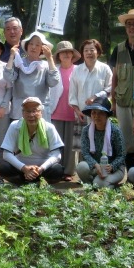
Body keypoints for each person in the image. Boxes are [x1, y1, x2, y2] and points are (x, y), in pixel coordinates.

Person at [110, 8, 134, 164]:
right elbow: (115, 77)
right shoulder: (118, 49)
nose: (132, 28)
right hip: (122, 102)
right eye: (129, 24)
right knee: (127, 141)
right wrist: (113, 102)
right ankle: (130, 175)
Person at [0, 97, 64, 185]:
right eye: (28, 111)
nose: (31, 115)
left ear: (41, 113)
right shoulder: (15, 126)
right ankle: (25, 182)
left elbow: (57, 155)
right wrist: (25, 168)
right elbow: (6, 154)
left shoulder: (49, 128)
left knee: (57, 170)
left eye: (35, 111)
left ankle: (36, 181)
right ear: (22, 113)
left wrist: (41, 169)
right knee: (4, 167)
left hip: (42, 169)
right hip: (21, 168)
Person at [5, 31, 60, 122]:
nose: (33, 47)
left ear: (42, 48)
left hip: (40, 112)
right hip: (20, 111)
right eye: (31, 44)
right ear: (27, 46)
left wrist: (50, 59)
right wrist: (11, 56)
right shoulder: (19, 63)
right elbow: (8, 77)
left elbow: (53, 81)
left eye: (38, 45)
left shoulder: (45, 65)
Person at [76, 99, 127, 188]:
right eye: (94, 113)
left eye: (100, 113)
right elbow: (85, 153)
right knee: (81, 167)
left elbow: (121, 155)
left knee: (99, 184)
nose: (96, 116)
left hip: (113, 169)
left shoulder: (115, 131)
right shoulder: (86, 130)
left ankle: (103, 184)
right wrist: (96, 165)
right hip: (96, 167)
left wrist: (111, 166)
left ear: (106, 115)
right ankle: (96, 185)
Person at [50, 40, 81, 179]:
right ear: (58, 55)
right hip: (56, 111)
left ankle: (68, 171)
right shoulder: (53, 69)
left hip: (72, 112)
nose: (66, 55)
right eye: (63, 52)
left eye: (69, 52)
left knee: (70, 145)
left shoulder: (78, 70)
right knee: (56, 143)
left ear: (72, 54)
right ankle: (55, 169)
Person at [69, 38, 113, 124]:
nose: (89, 53)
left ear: (98, 52)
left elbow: (110, 88)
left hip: (100, 114)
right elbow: (72, 93)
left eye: (92, 50)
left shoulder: (105, 69)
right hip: (81, 114)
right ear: (83, 53)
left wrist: (96, 96)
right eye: (86, 50)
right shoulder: (77, 70)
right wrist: (77, 111)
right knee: (81, 137)